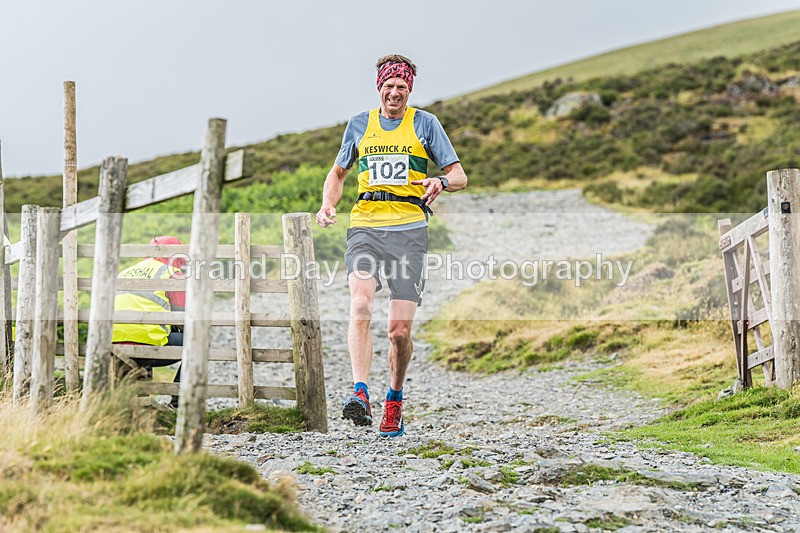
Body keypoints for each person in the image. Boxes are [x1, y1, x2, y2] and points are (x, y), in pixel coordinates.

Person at [316, 54, 467, 437]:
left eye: (402, 87)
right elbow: (338, 173)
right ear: (379, 87)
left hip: (410, 231)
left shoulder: (425, 123)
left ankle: (394, 399)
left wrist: (441, 182)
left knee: (399, 331)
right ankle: (360, 393)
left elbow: (459, 175)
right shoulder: (359, 125)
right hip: (365, 224)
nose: (395, 92)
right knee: (361, 303)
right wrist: (328, 204)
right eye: (389, 86)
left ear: (409, 90)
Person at [112, 235, 186, 407]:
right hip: (147, 342)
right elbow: (183, 316)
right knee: (199, 342)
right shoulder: (172, 273)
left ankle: (138, 401)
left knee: (147, 332)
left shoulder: (125, 272)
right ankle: (179, 403)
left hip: (113, 343)